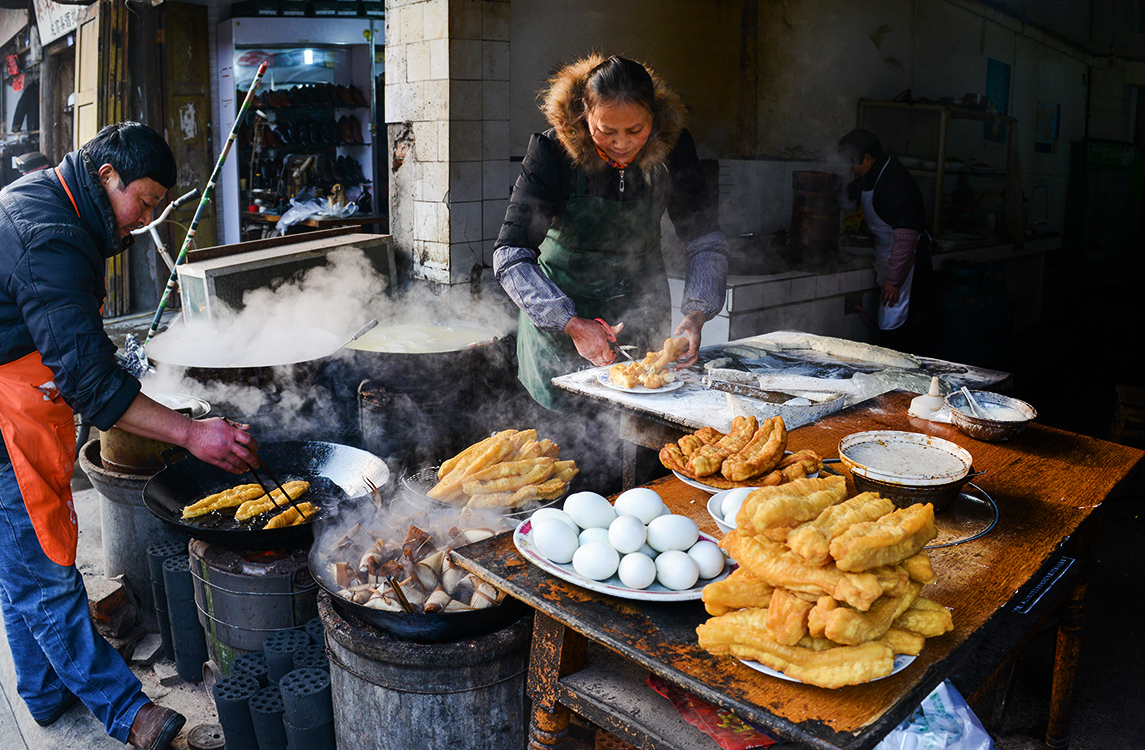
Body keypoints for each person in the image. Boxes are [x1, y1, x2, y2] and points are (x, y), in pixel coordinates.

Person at [0, 122, 260, 750]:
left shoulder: (54, 200)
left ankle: (44, 693)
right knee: (44, 571)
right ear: (107, 175)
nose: (144, 221)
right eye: (142, 202)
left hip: (22, 393)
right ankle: (127, 712)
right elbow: (90, 384)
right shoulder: (51, 235)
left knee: (20, 562)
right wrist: (191, 433)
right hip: (6, 414)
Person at [494, 54, 728, 411]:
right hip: (562, 322)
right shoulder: (552, 152)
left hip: (641, 311)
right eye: (606, 131)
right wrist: (570, 323)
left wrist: (697, 314)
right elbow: (510, 255)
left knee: (640, 429)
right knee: (565, 436)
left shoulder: (674, 149)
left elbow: (704, 239)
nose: (621, 144)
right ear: (584, 115)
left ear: (655, 118)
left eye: (636, 130)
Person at [838, 128, 932, 355]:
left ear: (867, 159)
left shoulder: (894, 183)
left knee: (897, 327)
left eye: (852, 163)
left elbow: (906, 236)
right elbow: (850, 196)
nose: (850, 168)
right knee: (889, 321)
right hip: (889, 254)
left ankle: (902, 374)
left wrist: (894, 280)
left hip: (907, 264)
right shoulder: (871, 174)